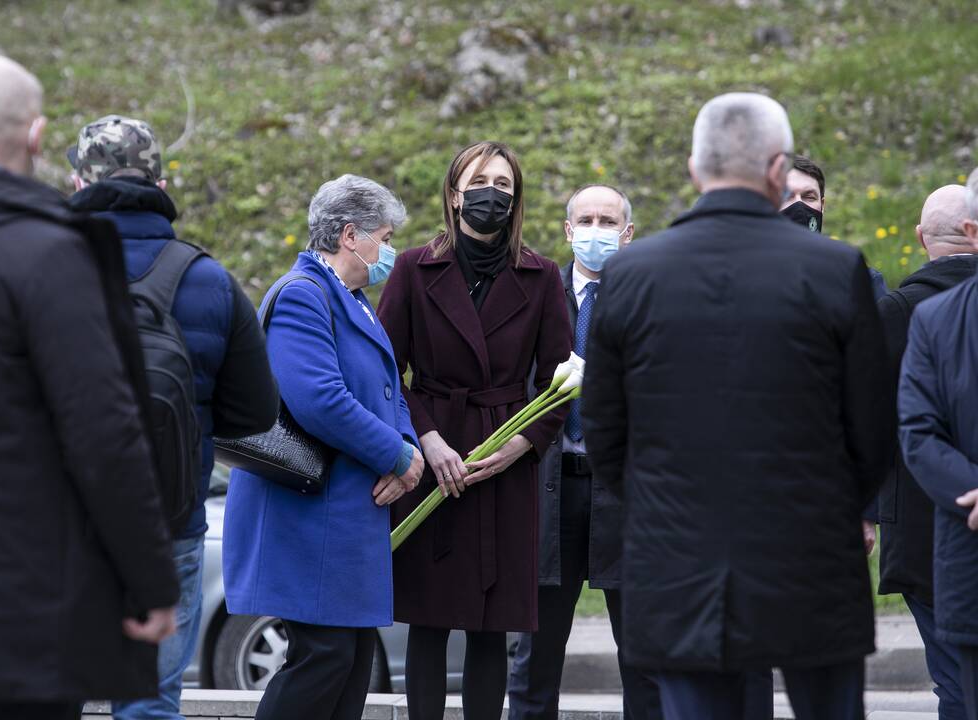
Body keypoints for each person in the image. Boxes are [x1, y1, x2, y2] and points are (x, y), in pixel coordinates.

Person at [581, 92, 893, 720]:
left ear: (695, 170)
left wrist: (662, 502)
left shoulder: (633, 275)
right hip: (810, 555)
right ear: (779, 172)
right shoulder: (836, 268)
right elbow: (872, 427)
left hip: (678, 554)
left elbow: (605, 432)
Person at [0, 54, 179, 720]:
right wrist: (150, 581)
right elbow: (104, 434)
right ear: (35, 135)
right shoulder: (49, 255)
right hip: (20, 625)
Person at [66, 114, 280, 720]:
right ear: (161, 184)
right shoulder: (208, 279)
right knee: (152, 699)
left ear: (80, 182)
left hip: (59, 525)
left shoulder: (42, 264)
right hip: (172, 520)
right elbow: (256, 413)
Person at [378, 141, 572, 720]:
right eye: (481, 180)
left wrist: (523, 444)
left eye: (505, 185)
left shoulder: (541, 276)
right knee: (430, 622)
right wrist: (426, 438)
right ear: (455, 192)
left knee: (493, 627)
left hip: (503, 466)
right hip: (432, 452)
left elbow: (560, 380)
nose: (493, 193)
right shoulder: (414, 267)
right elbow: (386, 368)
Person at [222, 174, 424, 720]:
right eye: (385, 236)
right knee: (324, 658)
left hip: (344, 520)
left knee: (351, 662)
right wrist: (398, 456)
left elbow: (389, 388)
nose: (390, 251)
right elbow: (320, 400)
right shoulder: (302, 296)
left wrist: (406, 440)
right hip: (309, 518)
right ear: (351, 235)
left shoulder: (354, 301)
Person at [507, 184, 660, 720]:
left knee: (645, 655)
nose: (598, 230)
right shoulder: (536, 299)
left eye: (609, 220)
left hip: (627, 492)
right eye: (587, 220)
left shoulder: (651, 300)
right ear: (569, 231)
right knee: (535, 654)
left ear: (628, 233)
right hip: (552, 487)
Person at [877, 184, 978, 720]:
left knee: (956, 685)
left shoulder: (901, 311)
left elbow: (897, 422)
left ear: (919, 238)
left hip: (925, 523)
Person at [781, 154, 889, 300]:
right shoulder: (750, 271)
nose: (799, 204)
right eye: (788, 196)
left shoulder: (857, 278)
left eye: (809, 197)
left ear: (822, 205)